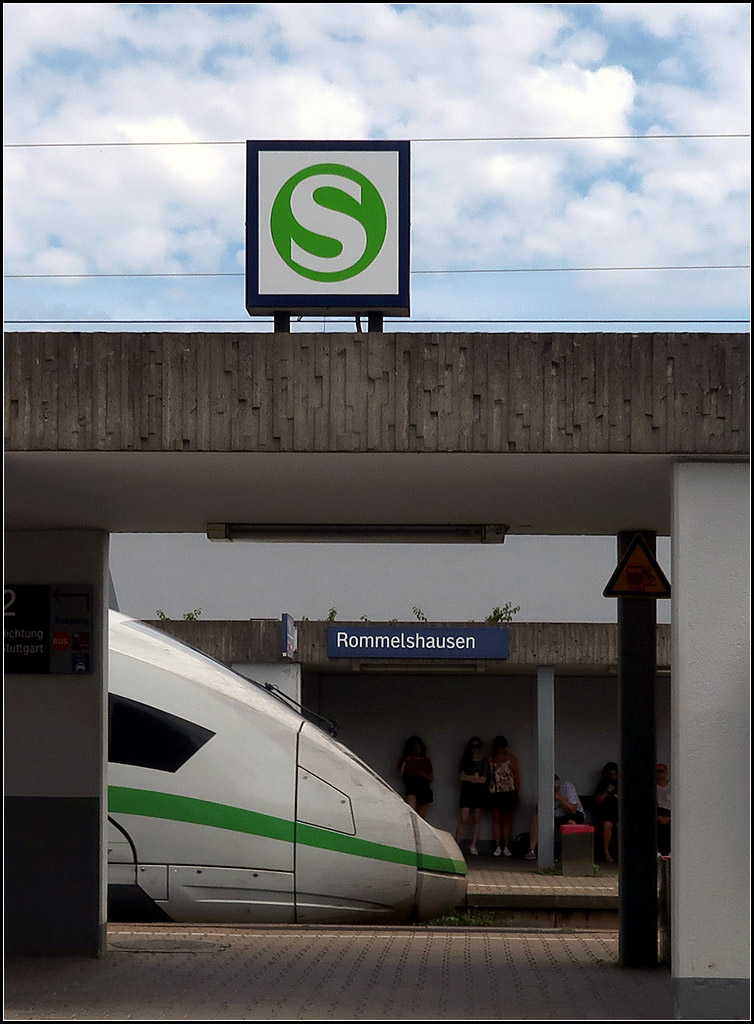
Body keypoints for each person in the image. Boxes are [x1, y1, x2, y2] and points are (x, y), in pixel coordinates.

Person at [525, 775, 585, 859]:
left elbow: (573, 810)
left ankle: (570, 854)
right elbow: (539, 810)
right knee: (536, 818)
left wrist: (560, 798)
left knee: (571, 823)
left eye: (556, 788)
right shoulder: (545, 791)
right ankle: (531, 850)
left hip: (573, 815)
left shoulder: (567, 787)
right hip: (555, 815)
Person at [455, 737, 490, 855]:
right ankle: (457, 843)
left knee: (477, 817)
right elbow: (461, 777)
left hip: (479, 791)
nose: (475, 749)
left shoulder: (484, 762)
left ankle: (473, 845)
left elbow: (483, 779)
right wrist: (473, 777)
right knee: (464, 817)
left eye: (477, 746)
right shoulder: (464, 760)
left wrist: (470, 778)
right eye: (473, 746)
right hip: (467, 791)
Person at [487, 734, 520, 857]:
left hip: (509, 791)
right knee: (496, 818)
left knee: (507, 820)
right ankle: (497, 845)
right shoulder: (490, 759)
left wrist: (517, 792)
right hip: (495, 791)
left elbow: (516, 776)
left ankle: (506, 845)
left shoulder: (511, 758)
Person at [397, 736, 433, 819]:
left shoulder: (425, 760)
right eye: (415, 749)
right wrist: (405, 761)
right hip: (411, 784)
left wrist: (423, 774)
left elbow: (431, 778)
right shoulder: (406, 759)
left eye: (419, 748)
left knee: (421, 815)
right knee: (411, 811)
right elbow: (400, 774)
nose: (417, 751)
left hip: (424, 785)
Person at [594, 761, 619, 862]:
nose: (613, 776)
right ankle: (606, 852)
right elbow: (597, 801)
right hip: (605, 814)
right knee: (607, 825)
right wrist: (606, 792)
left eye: (614, 774)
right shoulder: (602, 785)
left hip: (618, 814)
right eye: (610, 775)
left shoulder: (621, 784)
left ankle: (622, 852)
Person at [656, 762, 671, 856]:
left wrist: (670, 818)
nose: (659, 773)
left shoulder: (673, 787)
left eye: (661, 771)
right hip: (657, 813)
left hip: (670, 814)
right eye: (656, 771)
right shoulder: (650, 787)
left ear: (666, 772)